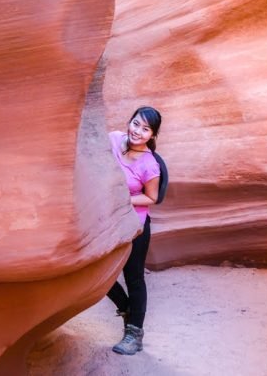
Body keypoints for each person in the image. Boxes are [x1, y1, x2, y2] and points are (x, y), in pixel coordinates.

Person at [106, 106, 162, 355]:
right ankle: (127, 308)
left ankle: (134, 334)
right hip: (105, 220)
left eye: (146, 129)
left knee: (134, 278)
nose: (138, 131)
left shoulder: (149, 165)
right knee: (100, 272)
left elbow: (152, 198)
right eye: (136, 124)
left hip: (134, 226)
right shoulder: (114, 139)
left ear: (152, 135)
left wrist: (123, 199)